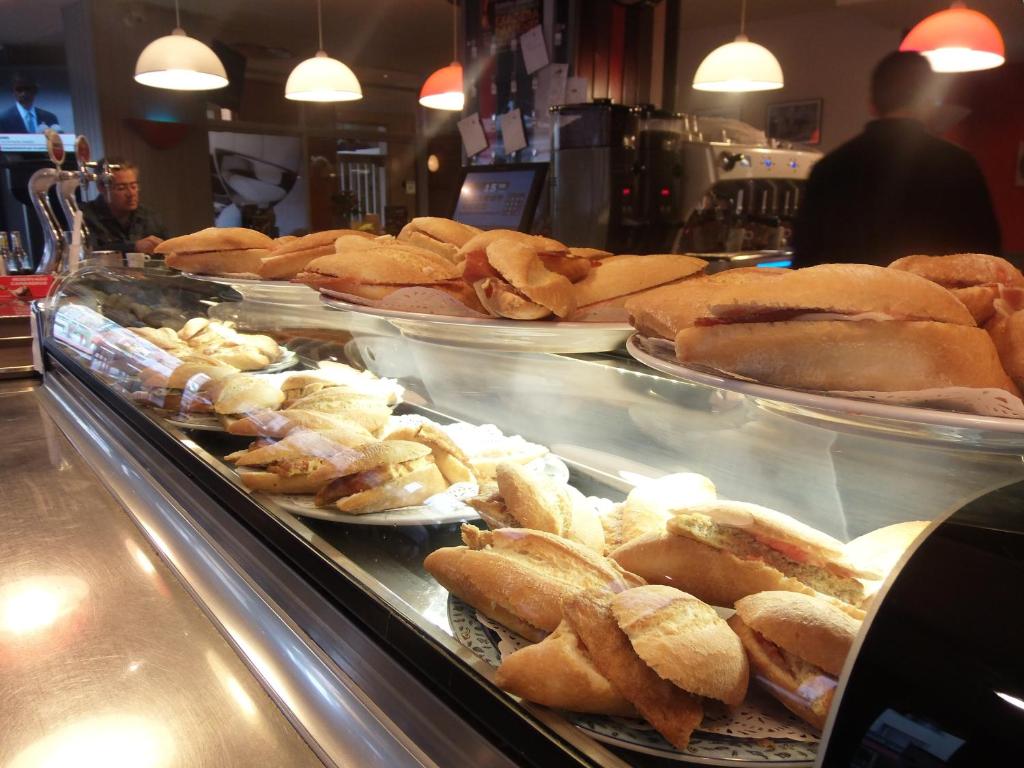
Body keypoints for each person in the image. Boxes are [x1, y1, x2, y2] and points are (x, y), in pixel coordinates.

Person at [793, 51, 1000, 267]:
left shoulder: (827, 168)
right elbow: (986, 259)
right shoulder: (961, 165)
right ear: (928, 103)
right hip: (931, 289)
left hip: (844, 289)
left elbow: (804, 258)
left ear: (871, 104)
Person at [82, 159, 168, 254]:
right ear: (102, 188)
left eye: (134, 186)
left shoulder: (149, 216)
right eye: (121, 188)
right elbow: (88, 251)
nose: (131, 194)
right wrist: (133, 247)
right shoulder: (86, 217)